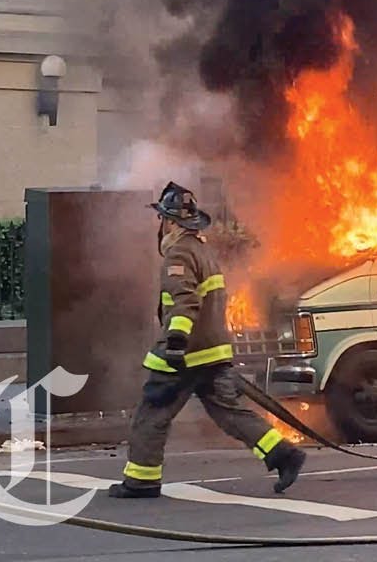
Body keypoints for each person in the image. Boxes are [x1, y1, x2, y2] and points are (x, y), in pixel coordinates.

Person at [109, 181, 306, 498]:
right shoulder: (204, 252)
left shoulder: (180, 254)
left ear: (171, 222)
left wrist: (175, 343)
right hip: (211, 351)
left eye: (162, 219)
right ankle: (284, 455)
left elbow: (185, 301)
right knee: (230, 413)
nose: (160, 226)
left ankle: (141, 480)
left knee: (152, 412)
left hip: (185, 353)